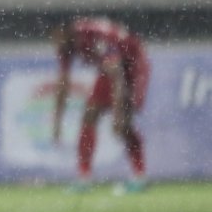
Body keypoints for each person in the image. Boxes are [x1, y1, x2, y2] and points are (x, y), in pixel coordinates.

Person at [51, 17, 149, 193]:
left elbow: (117, 73)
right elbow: (63, 85)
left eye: (56, 36)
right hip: (111, 70)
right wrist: (57, 122)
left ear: (65, 31)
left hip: (134, 66)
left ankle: (139, 176)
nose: (55, 43)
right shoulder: (66, 45)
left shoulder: (92, 35)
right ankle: (84, 178)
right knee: (89, 114)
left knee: (123, 126)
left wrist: (118, 113)